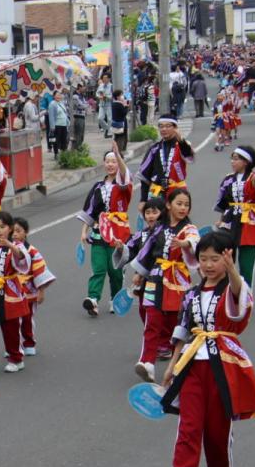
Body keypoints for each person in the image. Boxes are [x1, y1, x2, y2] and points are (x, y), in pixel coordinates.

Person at [159, 230, 255, 467]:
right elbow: (183, 328)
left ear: (227, 258)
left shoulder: (234, 288)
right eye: (203, 259)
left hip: (223, 366)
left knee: (217, 431)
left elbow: (238, 306)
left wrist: (233, 271)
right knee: (188, 428)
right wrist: (172, 365)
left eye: (215, 259)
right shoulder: (192, 294)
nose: (208, 265)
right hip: (193, 366)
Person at [127, 187, 199, 383]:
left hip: (178, 280)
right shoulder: (158, 228)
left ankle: (180, 365)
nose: (183, 208)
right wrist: (140, 274)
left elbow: (195, 240)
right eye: (179, 203)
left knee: (175, 324)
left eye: (186, 205)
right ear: (168, 205)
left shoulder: (188, 229)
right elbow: (147, 252)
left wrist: (185, 244)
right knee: (152, 320)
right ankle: (147, 363)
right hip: (155, 278)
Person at [78, 144, 134, 315]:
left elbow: (125, 176)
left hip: (118, 233)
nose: (111, 164)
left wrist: (118, 154)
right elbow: (90, 211)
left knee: (115, 271)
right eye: (108, 161)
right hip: (99, 232)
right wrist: (84, 231)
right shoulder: (97, 187)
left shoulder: (124, 186)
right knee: (99, 268)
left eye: (114, 161)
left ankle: (115, 298)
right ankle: (93, 299)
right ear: (104, 163)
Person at [0, 211, 32, 373]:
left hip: (10, 291)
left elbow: (23, 261)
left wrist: (10, 245)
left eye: (2, 227)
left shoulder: (17, 247)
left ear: (9, 229)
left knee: (10, 328)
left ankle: (16, 358)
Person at [213, 145, 255, 283]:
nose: (233, 162)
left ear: (246, 161)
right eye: (232, 159)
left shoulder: (253, 177)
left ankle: (245, 299)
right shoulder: (228, 179)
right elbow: (223, 202)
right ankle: (226, 296)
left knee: (246, 266)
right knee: (225, 261)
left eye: (236, 159)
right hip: (229, 220)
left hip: (248, 220)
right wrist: (220, 220)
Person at [12, 217, 55, 357]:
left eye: (18, 231)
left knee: (27, 319)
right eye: (12, 231)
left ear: (26, 232)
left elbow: (39, 271)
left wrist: (41, 291)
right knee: (11, 322)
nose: (15, 234)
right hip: (12, 291)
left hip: (28, 291)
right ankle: (13, 346)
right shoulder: (6, 249)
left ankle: (29, 343)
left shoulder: (32, 251)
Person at [137, 117, 193, 207]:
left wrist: (181, 140)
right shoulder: (154, 149)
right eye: (161, 126)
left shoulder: (182, 145)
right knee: (157, 220)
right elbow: (144, 175)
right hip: (157, 192)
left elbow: (188, 157)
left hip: (177, 191)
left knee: (179, 219)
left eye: (168, 126)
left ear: (175, 128)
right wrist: (143, 200)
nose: (164, 129)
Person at [48, 92, 69, 158]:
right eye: (57, 95)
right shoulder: (52, 104)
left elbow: (65, 113)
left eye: (59, 95)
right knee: (56, 140)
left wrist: (68, 122)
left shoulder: (61, 103)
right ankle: (56, 153)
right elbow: (51, 116)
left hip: (64, 124)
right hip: (57, 125)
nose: (58, 97)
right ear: (54, 96)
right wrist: (52, 126)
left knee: (64, 139)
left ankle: (63, 153)